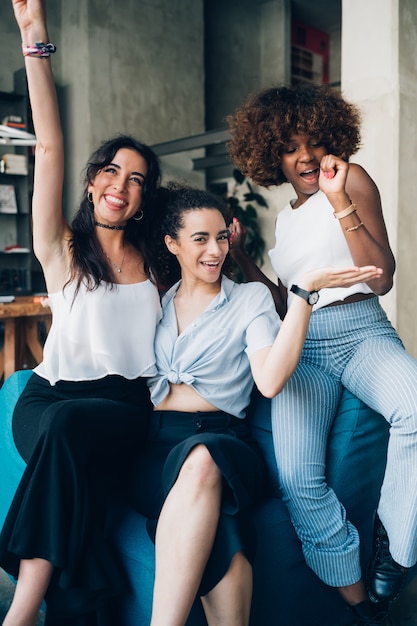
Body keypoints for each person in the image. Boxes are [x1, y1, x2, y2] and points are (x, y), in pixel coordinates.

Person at [127, 182, 381, 626]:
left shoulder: (249, 298)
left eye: (222, 237)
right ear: (172, 244)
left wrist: (302, 296)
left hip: (224, 442)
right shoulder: (155, 303)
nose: (216, 250)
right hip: (156, 449)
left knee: (204, 462)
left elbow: (270, 380)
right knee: (224, 527)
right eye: (200, 239)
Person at [226, 83, 417, 625]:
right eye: (289, 147)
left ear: (332, 138)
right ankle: (362, 604)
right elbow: (286, 302)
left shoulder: (350, 179)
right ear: (271, 156)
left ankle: (396, 552)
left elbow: (380, 278)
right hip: (303, 343)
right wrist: (242, 257)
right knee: (298, 481)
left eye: (312, 141)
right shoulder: (284, 219)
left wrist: (339, 202)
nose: (305, 156)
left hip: (361, 332)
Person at [0, 1, 162, 625]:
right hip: (47, 402)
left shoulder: (161, 266)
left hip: (122, 409)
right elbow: (46, 145)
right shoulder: (61, 253)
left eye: (138, 178)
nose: (122, 182)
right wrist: (34, 38)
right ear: (93, 182)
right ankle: (64, 603)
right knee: (65, 435)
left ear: (144, 199)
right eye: (111, 170)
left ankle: (21, 613)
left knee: (75, 439)